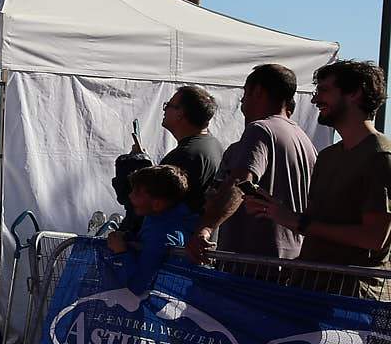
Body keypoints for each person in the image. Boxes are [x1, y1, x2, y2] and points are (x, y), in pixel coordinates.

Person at [247, 59, 391, 296]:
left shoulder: (380, 156)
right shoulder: (327, 157)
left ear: (354, 93)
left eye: (324, 91)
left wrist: (298, 222)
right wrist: (278, 211)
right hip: (311, 290)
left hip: (352, 300)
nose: (315, 100)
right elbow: (314, 224)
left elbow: (374, 238)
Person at [204, 63, 317, 259]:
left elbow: (239, 184)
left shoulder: (260, 130)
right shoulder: (304, 140)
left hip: (253, 262)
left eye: (245, 94)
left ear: (258, 92)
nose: (242, 103)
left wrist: (205, 228)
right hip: (291, 260)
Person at [106, 165, 198, 294]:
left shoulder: (163, 234)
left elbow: (139, 285)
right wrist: (128, 238)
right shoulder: (155, 217)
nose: (131, 196)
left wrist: (121, 252)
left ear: (157, 204)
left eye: (137, 192)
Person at [160, 85, 224, 207]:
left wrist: (136, 164)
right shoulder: (213, 144)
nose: (164, 110)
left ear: (180, 113)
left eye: (168, 105)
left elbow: (153, 203)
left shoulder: (184, 156)